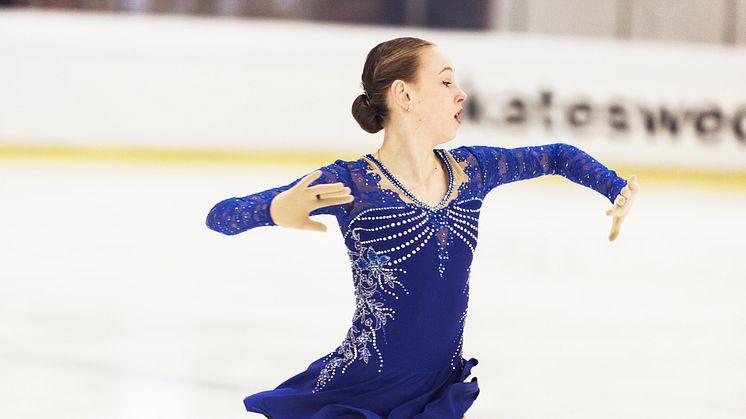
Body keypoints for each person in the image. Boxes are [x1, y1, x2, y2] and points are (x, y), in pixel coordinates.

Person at [206, 36, 639, 419]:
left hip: (437, 393)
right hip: (363, 391)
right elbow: (221, 216)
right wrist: (278, 210)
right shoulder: (353, 183)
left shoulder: (473, 170)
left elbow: (558, 155)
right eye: (446, 81)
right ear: (404, 95)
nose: (462, 93)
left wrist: (614, 188)